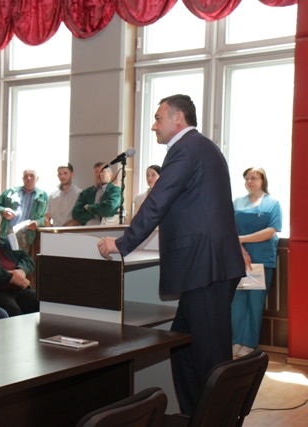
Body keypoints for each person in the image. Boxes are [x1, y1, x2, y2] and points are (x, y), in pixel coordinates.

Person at [97, 94, 245, 415]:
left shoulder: (186, 149)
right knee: (181, 347)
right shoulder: (199, 148)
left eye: (158, 118)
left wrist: (122, 244)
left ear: (178, 118)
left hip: (204, 267)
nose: (153, 126)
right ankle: (194, 416)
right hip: (205, 266)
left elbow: (157, 201)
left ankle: (217, 420)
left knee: (209, 358)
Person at [232, 167, 282, 358]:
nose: (249, 181)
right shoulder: (238, 202)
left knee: (255, 303)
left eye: (253, 178)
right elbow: (231, 230)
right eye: (246, 179)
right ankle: (236, 341)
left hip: (260, 259)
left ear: (263, 180)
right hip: (240, 258)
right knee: (237, 302)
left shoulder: (273, 204)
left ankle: (249, 343)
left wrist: (242, 239)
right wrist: (242, 249)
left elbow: (271, 231)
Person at [0, 169, 48, 252]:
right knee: (2, 256)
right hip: (7, 231)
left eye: (32, 176)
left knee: (20, 258)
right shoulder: (11, 192)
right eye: (26, 176)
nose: (29, 178)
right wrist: (3, 211)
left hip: (27, 235)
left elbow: (47, 217)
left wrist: (37, 223)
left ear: (37, 179)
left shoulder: (43, 196)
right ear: (22, 178)